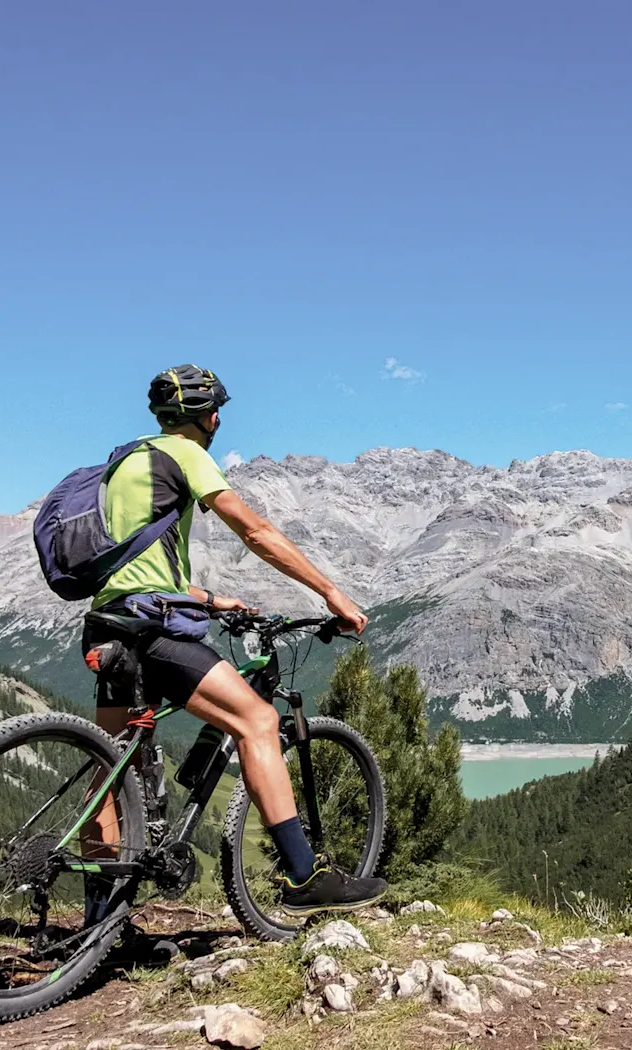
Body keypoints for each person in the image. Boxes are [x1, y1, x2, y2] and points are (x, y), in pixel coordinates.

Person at [82, 364, 386, 920]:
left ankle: (97, 925)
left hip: (108, 624)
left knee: (110, 768)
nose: (219, 418)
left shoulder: (122, 462)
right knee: (258, 721)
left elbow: (133, 564)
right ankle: (304, 876)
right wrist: (331, 593)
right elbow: (256, 532)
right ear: (207, 415)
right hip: (152, 632)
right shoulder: (187, 453)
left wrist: (207, 597)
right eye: (217, 409)